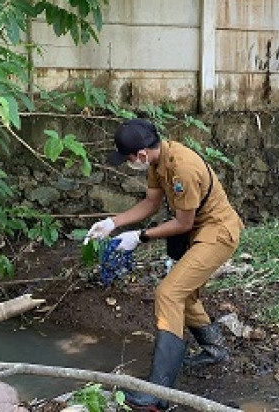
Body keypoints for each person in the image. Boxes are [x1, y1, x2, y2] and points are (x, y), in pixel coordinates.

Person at [84, 118, 244, 411]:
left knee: (169, 293)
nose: (129, 163)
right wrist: (112, 223)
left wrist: (140, 236)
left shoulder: (183, 167)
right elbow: (151, 203)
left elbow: (183, 222)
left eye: (129, 159)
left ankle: (159, 393)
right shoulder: (158, 163)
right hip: (198, 231)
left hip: (218, 233)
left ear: (142, 155)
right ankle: (215, 350)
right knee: (185, 294)